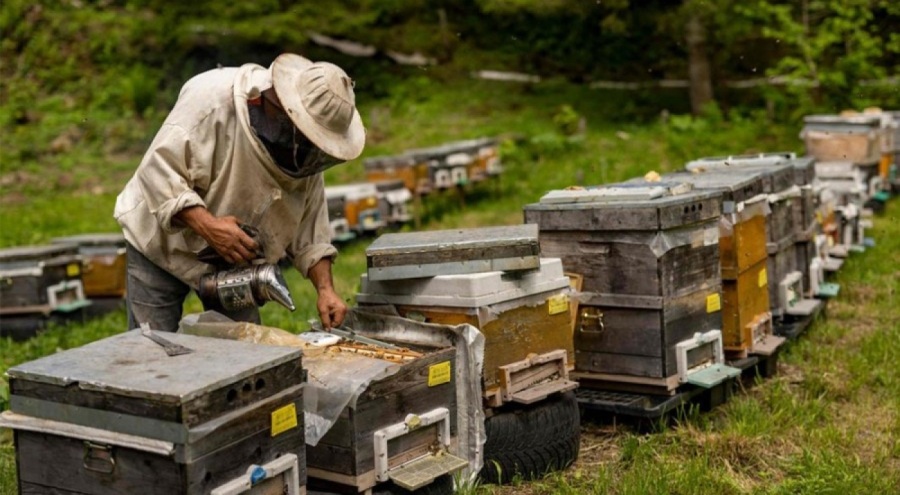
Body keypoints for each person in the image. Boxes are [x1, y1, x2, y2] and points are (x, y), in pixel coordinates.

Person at [114, 53, 364, 332]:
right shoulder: (211, 101)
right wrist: (208, 226)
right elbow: (158, 171)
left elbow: (311, 227)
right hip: (160, 244)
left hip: (234, 264)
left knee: (245, 354)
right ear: (281, 111)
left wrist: (326, 289)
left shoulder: (303, 153)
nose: (309, 149)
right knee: (151, 351)